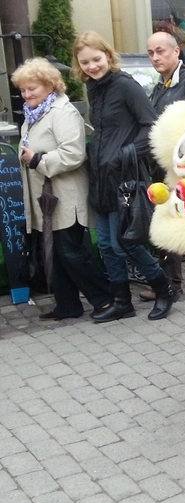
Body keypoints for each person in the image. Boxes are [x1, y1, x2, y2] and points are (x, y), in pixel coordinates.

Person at [72, 31, 177, 322]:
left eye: (96, 59)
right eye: (86, 62)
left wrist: (125, 153)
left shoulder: (125, 86)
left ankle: (164, 289)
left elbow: (151, 126)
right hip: (102, 177)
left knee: (126, 242)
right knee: (106, 244)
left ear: (108, 55)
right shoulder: (93, 87)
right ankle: (122, 301)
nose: (92, 66)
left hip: (126, 178)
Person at [12, 58, 113, 321]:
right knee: (55, 253)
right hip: (47, 199)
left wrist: (37, 160)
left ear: (49, 85)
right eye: (23, 90)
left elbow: (73, 154)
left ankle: (104, 300)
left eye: (31, 88)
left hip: (66, 196)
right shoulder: (34, 114)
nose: (26, 94)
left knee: (71, 252)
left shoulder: (62, 112)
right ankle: (68, 305)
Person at [142, 31, 185, 304]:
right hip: (164, 168)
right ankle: (171, 283)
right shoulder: (160, 86)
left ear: (176, 52)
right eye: (151, 53)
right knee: (170, 220)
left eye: (161, 51)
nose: (156, 57)